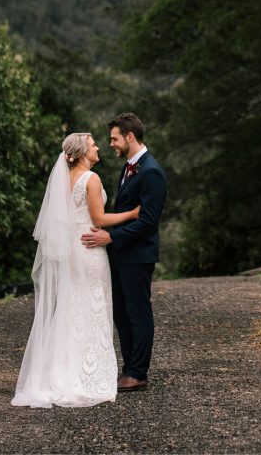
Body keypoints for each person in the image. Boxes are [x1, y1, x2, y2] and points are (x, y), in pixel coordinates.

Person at [12, 133, 139, 408]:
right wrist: (132, 214)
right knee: (93, 307)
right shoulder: (91, 179)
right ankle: (88, 374)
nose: (97, 148)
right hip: (89, 250)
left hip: (72, 251)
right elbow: (99, 218)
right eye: (93, 145)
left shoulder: (63, 181)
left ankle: (63, 371)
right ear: (82, 153)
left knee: (72, 308)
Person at [81, 113, 167, 392]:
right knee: (121, 312)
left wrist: (111, 236)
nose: (112, 144)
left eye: (115, 139)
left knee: (138, 312)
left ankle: (138, 372)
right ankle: (128, 367)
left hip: (137, 254)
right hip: (121, 253)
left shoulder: (151, 171)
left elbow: (148, 222)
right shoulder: (130, 167)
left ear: (130, 136)